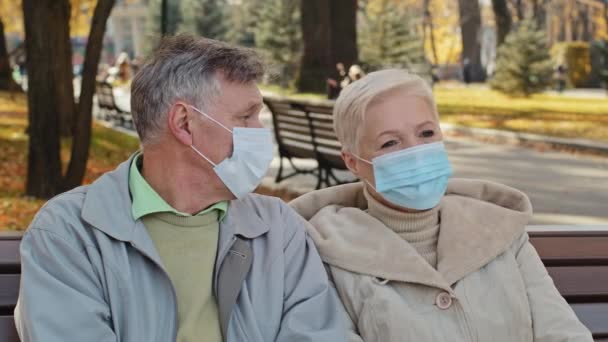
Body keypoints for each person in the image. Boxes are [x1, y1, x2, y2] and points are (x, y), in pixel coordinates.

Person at [14, 34, 346, 342]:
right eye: (246, 117)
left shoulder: (277, 229)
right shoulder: (69, 233)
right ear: (185, 123)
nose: (260, 132)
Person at [290, 69, 593, 342]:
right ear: (353, 162)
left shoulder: (501, 229)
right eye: (390, 143)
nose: (416, 152)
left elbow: (562, 332)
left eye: (426, 134)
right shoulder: (324, 254)